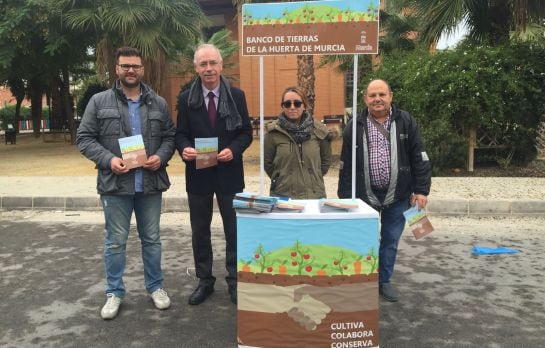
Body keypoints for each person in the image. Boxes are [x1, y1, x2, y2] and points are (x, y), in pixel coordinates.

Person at [77, 47, 175, 319]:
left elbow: (170, 137)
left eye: (135, 65)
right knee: (115, 242)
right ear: (117, 69)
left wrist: (160, 157)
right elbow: (84, 138)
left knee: (152, 239)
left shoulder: (158, 103)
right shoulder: (99, 102)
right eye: (125, 66)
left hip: (150, 183)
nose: (130, 70)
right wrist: (109, 160)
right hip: (115, 185)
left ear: (142, 69)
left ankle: (156, 287)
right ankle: (114, 292)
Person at [337, 79, 431, 302]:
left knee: (390, 240)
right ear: (365, 99)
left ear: (391, 96)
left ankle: (384, 281)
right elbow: (345, 164)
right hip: (364, 196)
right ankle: (365, 279)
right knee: (364, 240)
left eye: (381, 94)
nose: (377, 99)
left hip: (398, 196)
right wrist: (344, 197)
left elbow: (420, 157)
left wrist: (421, 190)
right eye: (372, 95)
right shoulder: (355, 125)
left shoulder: (406, 121)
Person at [175, 44, 253, 305]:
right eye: (203, 64)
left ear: (221, 65)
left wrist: (233, 149)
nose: (208, 69)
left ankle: (235, 281)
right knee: (200, 231)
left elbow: (246, 133)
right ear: (196, 68)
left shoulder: (237, 96)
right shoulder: (187, 98)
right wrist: (184, 148)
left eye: (212, 63)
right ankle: (205, 280)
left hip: (230, 174)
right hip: (198, 175)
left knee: (234, 230)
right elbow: (180, 133)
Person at [264, 86, 333, 199]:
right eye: (287, 104)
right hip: (283, 195)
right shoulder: (273, 133)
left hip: (314, 195)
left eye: (297, 103)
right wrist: (282, 179)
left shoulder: (319, 131)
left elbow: (325, 162)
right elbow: (268, 164)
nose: (292, 107)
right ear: (282, 106)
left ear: (304, 105)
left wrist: (313, 178)